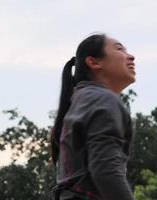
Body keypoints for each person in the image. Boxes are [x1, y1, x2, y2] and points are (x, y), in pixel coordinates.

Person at [50, 33, 136, 200]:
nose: (131, 56)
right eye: (119, 49)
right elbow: (106, 170)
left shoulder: (81, 100)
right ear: (94, 62)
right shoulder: (102, 99)